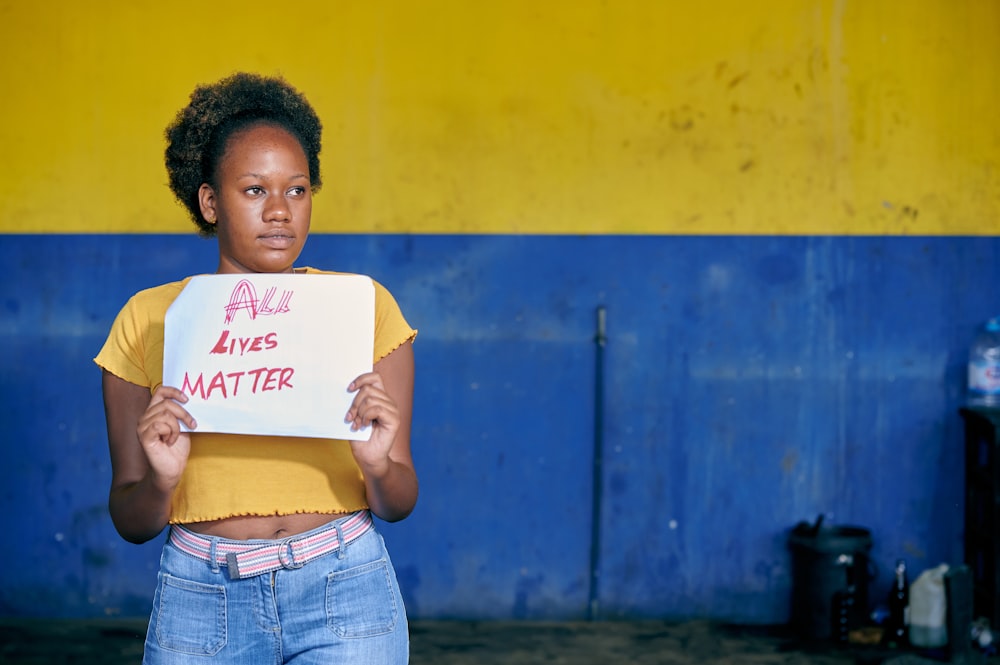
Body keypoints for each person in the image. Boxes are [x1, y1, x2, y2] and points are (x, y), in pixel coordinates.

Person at [94, 72, 418, 664]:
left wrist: (377, 465)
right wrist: (162, 481)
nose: (279, 212)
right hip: (201, 597)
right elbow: (131, 520)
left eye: (297, 190)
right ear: (210, 201)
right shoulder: (147, 320)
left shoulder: (362, 307)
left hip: (347, 590)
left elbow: (399, 501)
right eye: (253, 190)